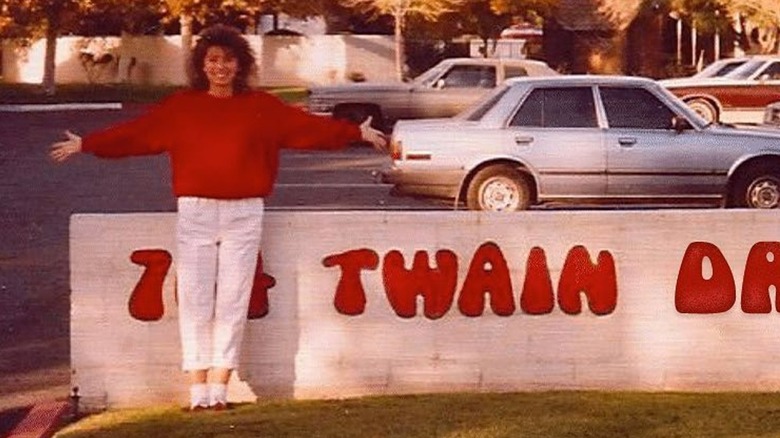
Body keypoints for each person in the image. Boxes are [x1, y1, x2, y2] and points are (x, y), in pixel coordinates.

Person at [50, 24, 386, 411]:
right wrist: (87, 144)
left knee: (234, 298)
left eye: (228, 60)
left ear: (240, 64)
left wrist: (355, 133)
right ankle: (197, 389)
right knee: (194, 299)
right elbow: (137, 134)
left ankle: (220, 387)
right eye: (212, 60)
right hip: (196, 211)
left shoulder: (261, 107)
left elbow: (306, 128)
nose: (220, 67)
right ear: (201, 65)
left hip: (245, 211)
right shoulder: (181, 107)